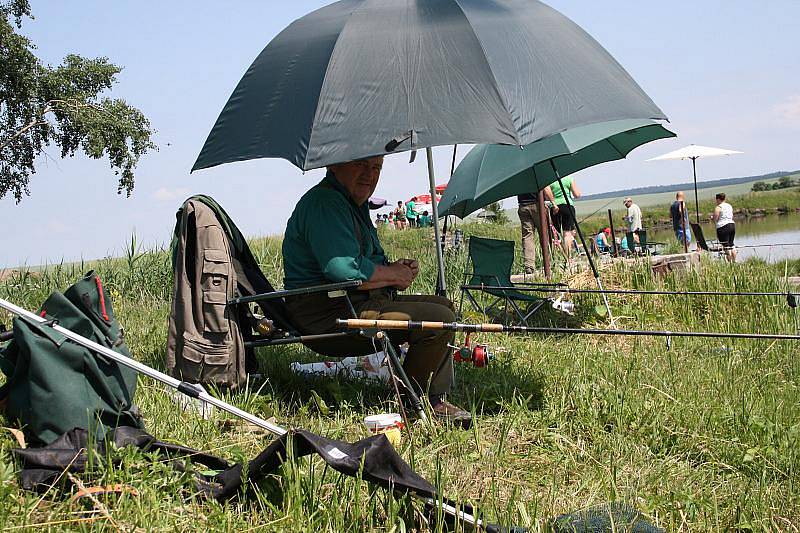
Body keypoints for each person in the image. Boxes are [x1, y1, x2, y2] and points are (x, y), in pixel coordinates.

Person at [281, 156, 471, 425]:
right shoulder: (325, 203)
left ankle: (428, 389)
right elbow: (343, 272)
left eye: (376, 167)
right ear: (333, 164)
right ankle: (418, 401)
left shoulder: (352, 205)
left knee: (444, 305)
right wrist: (393, 274)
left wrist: (395, 268)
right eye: (361, 164)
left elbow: (370, 261)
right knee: (439, 321)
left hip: (352, 303)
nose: (369, 174)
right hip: (328, 316)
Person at [547, 177, 581, 260]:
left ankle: (557, 257)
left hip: (554, 207)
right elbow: (577, 194)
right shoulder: (569, 178)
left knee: (556, 235)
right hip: (568, 205)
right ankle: (568, 257)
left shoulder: (549, 180)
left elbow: (547, 196)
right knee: (567, 233)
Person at [516, 192, 541, 274]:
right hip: (537, 204)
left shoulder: (517, 178)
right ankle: (549, 262)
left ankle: (529, 265)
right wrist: (552, 201)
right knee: (545, 234)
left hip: (523, 205)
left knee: (527, 236)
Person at [712, 192, 736, 262]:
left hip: (723, 227)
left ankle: (730, 263)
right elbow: (731, 216)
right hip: (732, 225)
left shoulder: (718, 207)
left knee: (726, 246)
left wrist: (712, 218)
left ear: (718, 199)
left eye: (716, 200)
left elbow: (715, 219)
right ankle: (734, 261)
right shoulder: (729, 206)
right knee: (732, 245)